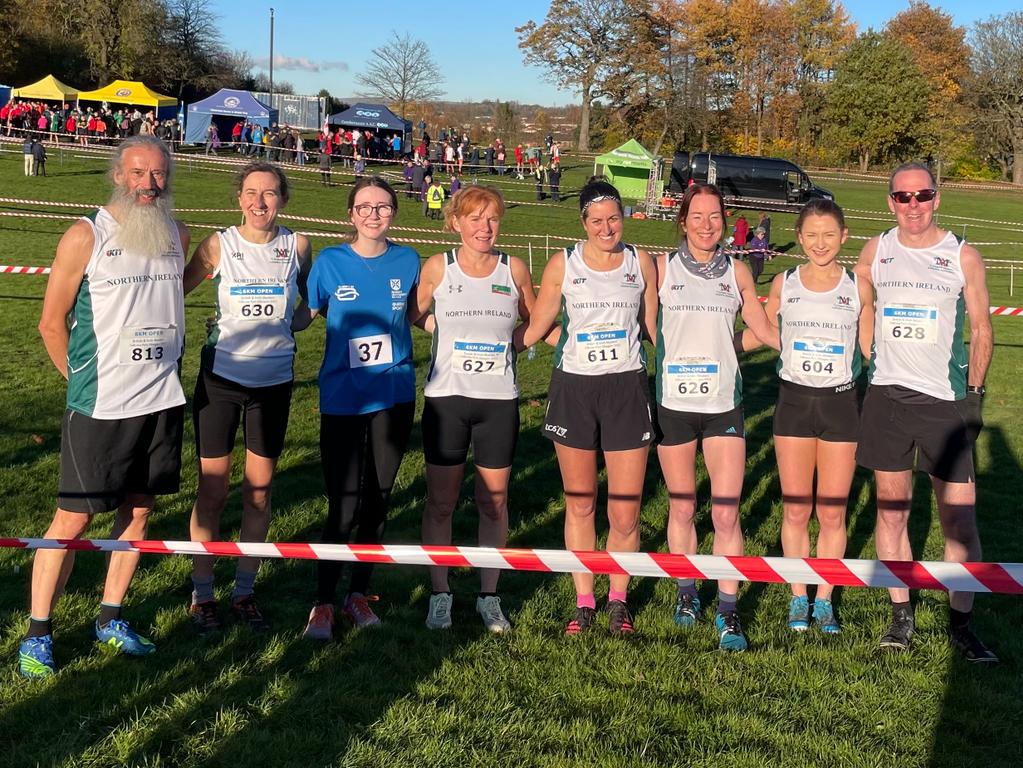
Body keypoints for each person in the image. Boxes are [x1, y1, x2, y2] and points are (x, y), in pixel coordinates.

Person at [20, 137, 189, 678]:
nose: (148, 184)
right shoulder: (85, 235)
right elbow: (51, 323)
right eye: (138, 173)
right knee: (72, 519)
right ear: (118, 174)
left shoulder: (177, 233)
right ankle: (38, 633)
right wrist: (81, 383)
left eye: (158, 174)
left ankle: (110, 617)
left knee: (138, 512)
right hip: (101, 405)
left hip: (162, 398)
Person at [854, 163, 997, 662]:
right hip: (888, 400)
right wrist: (871, 356)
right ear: (890, 202)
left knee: (960, 523)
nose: (912, 205)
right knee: (892, 514)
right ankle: (901, 616)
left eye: (922, 195)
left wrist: (973, 395)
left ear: (937, 198)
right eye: (902, 196)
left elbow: (981, 329)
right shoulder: (876, 250)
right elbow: (861, 301)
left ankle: (961, 625)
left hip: (944, 402)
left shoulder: (963, 255)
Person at [523, 179, 658, 635]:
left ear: (623, 218)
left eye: (613, 218)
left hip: (626, 389)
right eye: (597, 220)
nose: (606, 228)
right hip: (575, 391)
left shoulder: (640, 261)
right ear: (583, 222)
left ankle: (618, 600)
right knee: (580, 504)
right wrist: (499, 344)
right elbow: (538, 325)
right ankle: (584, 601)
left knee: (626, 510)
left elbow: (652, 328)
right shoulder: (564, 263)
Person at [182, 163, 312, 633]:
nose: (260, 202)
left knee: (259, 493)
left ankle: (243, 592)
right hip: (221, 381)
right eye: (251, 193)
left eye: (270, 193)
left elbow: (313, 299)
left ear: (283, 199)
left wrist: (295, 323)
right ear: (238, 198)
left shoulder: (297, 246)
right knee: (213, 491)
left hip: (272, 384)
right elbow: (172, 292)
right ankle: (202, 595)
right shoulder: (218, 245)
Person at [654, 182, 777, 652]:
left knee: (726, 512)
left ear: (725, 221)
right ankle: (687, 593)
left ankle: (728, 608)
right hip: (675, 405)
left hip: (724, 404)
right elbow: (642, 323)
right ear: (682, 221)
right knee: (683, 506)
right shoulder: (661, 268)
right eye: (697, 216)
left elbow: (760, 330)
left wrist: (802, 346)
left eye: (715, 217)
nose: (706, 225)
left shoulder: (738, 271)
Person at [297, 177, 420, 639]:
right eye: (364, 206)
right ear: (350, 214)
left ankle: (358, 595)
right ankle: (323, 602)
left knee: (378, 499)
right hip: (343, 397)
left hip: (394, 395)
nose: (373, 214)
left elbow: (418, 315)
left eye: (383, 206)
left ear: (394, 213)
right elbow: (304, 316)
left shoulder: (409, 261)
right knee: (343, 503)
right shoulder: (330, 262)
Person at [412, 186, 537, 632]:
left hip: (498, 401)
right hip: (447, 400)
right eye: (474, 218)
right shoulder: (438, 267)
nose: (484, 227)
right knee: (441, 502)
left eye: (492, 218)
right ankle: (440, 593)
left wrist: (511, 345)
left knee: (494, 502)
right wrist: (441, 331)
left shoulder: (513, 268)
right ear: (456, 223)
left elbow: (534, 319)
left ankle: (488, 595)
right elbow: (413, 313)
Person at [763, 199, 873, 634]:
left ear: (844, 236)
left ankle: (824, 599)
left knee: (831, 513)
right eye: (811, 235)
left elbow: (871, 348)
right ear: (799, 237)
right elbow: (764, 330)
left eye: (829, 234)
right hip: (794, 404)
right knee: (795, 510)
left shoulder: (858, 287)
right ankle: (798, 597)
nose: (820, 243)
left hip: (840, 407)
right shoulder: (784, 283)